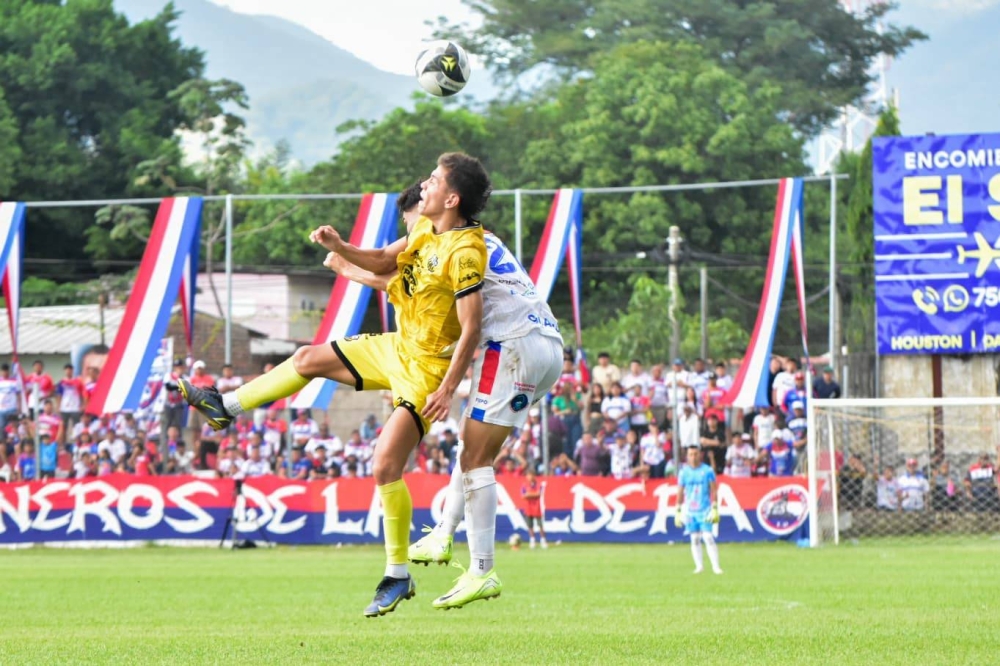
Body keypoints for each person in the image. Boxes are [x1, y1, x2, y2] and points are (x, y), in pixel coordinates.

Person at [171, 153, 492, 617]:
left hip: (426, 371)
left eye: (435, 179)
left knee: (384, 465)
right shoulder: (426, 228)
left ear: (453, 197)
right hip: (397, 347)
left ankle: (397, 575)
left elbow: (472, 328)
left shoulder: (466, 251)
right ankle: (226, 407)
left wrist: (447, 389)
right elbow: (384, 259)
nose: (425, 184)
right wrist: (342, 246)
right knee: (306, 358)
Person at [329, 179, 563, 610]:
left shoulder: (449, 245)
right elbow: (395, 270)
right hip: (547, 343)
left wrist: (348, 267)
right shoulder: (480, 237)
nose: (410, 230)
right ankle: (443, 533)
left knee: (475, 460)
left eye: (434, 184)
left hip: (510, 344)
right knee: (472, 449)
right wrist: (350, 260)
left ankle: (482, 570)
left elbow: (396, 276)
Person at [674, 447, 722, 575]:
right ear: (687, 456)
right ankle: (699, 566)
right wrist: (678, 509)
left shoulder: (707, 471)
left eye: (695, 454)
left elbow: (714, 490)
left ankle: (716, 567)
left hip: (705, 509)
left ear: (700, 455)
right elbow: (680, 491)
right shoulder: (684, 472)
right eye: (690, 454)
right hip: (690, 511)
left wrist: (715, 507)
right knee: (694, 538)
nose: (693, 457)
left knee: (708, 537)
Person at [520, 468, 547, 549]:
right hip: (528, 508)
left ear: (534, 476)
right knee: (530, 526)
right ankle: (532, 540)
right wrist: (532, 494)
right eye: (528, 475)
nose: (529, 477)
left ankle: (543, 540)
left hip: (537, 508)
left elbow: (539, 494)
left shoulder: (539, 484)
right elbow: (523, 496)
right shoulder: (524, 485)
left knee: (540, 525)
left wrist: (528, 494)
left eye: (531, 475)